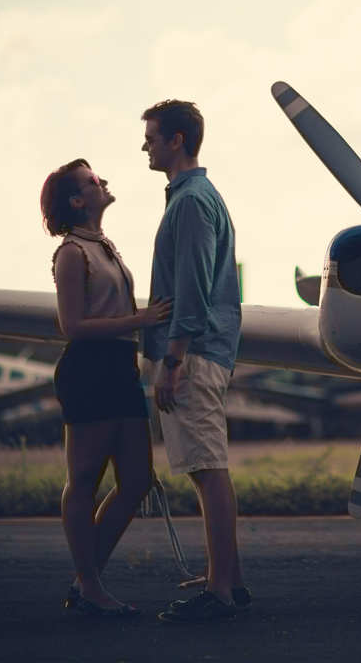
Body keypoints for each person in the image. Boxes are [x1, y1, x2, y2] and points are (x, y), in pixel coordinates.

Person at [40, 158, 172, 619]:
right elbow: (72, 325)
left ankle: (84, 581)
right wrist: (141, 320)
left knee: (136, 479)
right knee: (84, 480)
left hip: (120, 370)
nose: (105, 182)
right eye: (95, 180)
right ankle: (92, 586)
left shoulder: (103, 245)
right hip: (91, 370)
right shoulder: (72, 252)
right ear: (78, 201)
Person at [140, 100, 247, 624]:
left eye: (152, 137)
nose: (146, 146)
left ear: (177, 141)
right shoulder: (197, 197)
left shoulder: (189, 203)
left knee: (207, 469)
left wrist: (172, 360)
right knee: (208, 467)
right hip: (204, 352)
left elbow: (193, 289)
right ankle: (231, 581)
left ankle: (220, 590)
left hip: (193, 355)